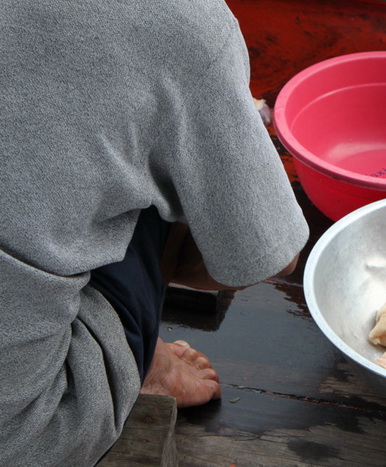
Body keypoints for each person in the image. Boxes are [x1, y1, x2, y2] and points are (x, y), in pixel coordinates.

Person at [0, 1, 309, 465]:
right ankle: (142, 365)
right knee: (177, 165)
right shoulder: (183, 19)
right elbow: (266, 255)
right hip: (28, 427)